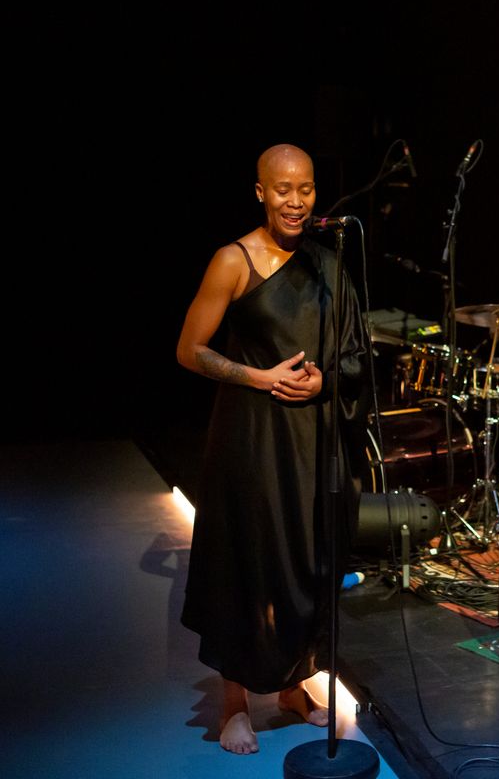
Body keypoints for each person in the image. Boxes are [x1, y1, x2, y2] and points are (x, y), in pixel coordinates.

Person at [176, 143, 368, 754]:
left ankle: (290, 687)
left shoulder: (329, 264)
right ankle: (234, 704)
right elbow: (190, 350)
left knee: (305, 562)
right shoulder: (232, 260)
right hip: (252, 440)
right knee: (248, 563)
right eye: (283, 189)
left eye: (306, 189)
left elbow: (357, 356)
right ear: (260, 192)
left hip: (311, 439)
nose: (296, 201)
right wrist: (259, 377)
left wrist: (323, 382)